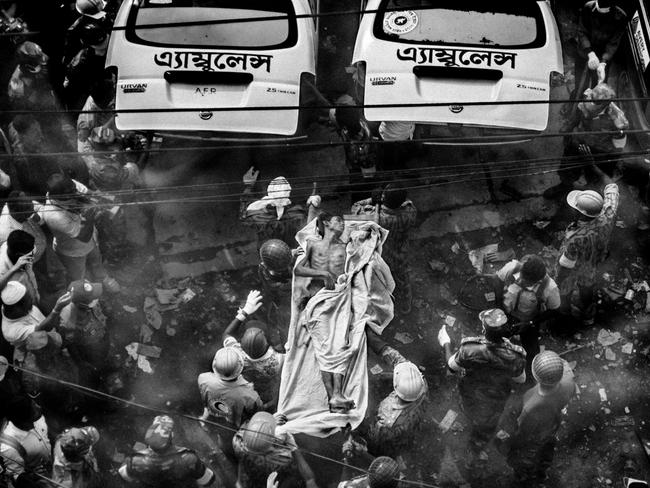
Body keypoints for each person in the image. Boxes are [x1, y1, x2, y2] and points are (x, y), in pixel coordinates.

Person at [438, 308, 526, 470]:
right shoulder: (516, 356)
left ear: (484, 329)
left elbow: (451, 369)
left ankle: (473, 434)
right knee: (488, 424)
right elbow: (520, 380)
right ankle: (478, 445)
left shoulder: (469, 348)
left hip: (470, 395)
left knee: (470, 412)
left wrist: (446, 343)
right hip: (496, 400)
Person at [294, 211, 351, 411]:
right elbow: (298, 270)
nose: (343, 224)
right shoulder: (312, 244)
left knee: (341, 344)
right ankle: (333, 396)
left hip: (337, 298)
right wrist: (323, 273)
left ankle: (337, 395)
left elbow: (350, 272)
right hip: (318, 299)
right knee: (326, 346)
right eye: (339, 220)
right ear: (326, 223)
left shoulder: (345, 248)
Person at [497, 351, 576, 488]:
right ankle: (541, 474)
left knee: (523, 462)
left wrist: (506, 442)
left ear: (535, 375)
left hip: (533, 440)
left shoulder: (531, 404)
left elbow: (522, 435)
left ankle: (524, 479)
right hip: (551, 428)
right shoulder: (569, 385)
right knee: (546, 455)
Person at [556, 169, 619, 326]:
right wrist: (592, 165)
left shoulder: (574, 238)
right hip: (593, 262)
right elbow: (611, 185)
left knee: (565, 288)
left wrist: (557, 281)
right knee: (587, 286)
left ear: (579, 214)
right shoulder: (607, 216)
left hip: (574, 266)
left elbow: (566, 266)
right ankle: (588, 315)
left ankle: (565, 315)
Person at [544, 82, 628, 198]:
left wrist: (603, 162)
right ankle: (565, 187)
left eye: (594, 101)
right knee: (567, 168)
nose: (588, 100)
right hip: (578, 142)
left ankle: (588, 197)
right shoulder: (587, 99)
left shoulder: (617, 121)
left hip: (599, 153)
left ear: (604, 105)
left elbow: (618, 147)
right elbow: (577, 116)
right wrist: (569, 129)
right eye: (591, 97)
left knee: (595, 179)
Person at [39, 173, 120, 291]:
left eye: (74, 188)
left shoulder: (70, 186)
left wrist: (107, 200)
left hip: (91, 238)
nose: (76, 191)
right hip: (72, 251)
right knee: (77, 276)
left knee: (96, 261)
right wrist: (89, 217)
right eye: (71, 192)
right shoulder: (53, 215)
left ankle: (103, 278)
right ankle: (83, 295)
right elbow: (83, 237)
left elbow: (88, 193)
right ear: (60, 196)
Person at [350, 183, 417, 314]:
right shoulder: (410, 212)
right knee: (403, 279)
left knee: (379, 281)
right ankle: (406, 306)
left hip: (382, 255)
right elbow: (408, 202)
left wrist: (372, 200)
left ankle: (382, 308)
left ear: (384, 197)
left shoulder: (374, 216)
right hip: (401, 251)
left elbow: (354, 209)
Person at [495, 254, 561, 373]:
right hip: (505, 312)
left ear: (538, 280)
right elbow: (498, 281)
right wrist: (499, 307)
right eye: (521, 276)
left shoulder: (550, 288)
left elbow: (554, 310)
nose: (520, 281)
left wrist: (531, 322)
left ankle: (530, 374)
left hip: (529, 320)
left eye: (526, 281)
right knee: (495, 339)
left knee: (531, 352)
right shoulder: (512, 268)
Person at [222, 290, 285, 409]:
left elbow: (227, 334)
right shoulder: (279, 360)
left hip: (250, 385)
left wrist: (244, 312)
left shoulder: (237, 353)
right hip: (269, 388)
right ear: (267, 343)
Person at [197, 346, 263, 458]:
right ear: (240, 367)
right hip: (233, 425)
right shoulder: (250, 396)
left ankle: (224, 450)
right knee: (232, 441)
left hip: (214, 417)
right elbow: (258, 411)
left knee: (223, 439)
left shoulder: (203, 378)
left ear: (215, 366)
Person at [119, 415, 215, 488]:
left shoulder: (135, 460)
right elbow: (207, 481)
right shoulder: (188, 458)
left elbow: (125, 478)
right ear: (171, 436)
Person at [232, 411, 318, 488]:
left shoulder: (238, 443)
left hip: (250, 480)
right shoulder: (283, 457)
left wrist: (269, 427)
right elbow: (305, 472)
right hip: (274, 480)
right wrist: (292, 444)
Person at [240, 168, 321, 246]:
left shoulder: (259, 217)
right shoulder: (298, 214)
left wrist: (248, 187)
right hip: (293, 255)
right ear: (288, 192)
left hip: (267, 256)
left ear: (269, 192)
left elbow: (244, 215)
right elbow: (311, 228)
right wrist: (313, 207)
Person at [367, 360, 428, 458]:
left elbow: (375, 440)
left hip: (389, 444)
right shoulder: (422, 387)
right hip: (410, 430)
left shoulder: (386, 420)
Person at [1, 281, 71, 363]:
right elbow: (43, 329)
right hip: (40, 353)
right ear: (17, 308)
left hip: (52, 338)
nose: (32, 300)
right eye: (28, 300)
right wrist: (57, 309)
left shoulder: (13, 308)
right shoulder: (11, 331)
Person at [58, 279, 108, 374]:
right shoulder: (69, 321)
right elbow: (70, 345)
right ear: (82, 305)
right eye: (94, 298)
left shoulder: (90, 304)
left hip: (101, 334)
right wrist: (81, 363)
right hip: (89, 349)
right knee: (95, 367)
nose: (97, 298)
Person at [0, 397, 52, 485]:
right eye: (34, 409)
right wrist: (31, 476)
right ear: (25, 419)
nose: (39, 407)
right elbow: (17, 476)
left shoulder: (38, 417)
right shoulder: (8, 446)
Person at [576, 0, 628, 86]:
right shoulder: (588, 7)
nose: (600, 12)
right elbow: (582, 31)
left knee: (598, 85)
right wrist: (590, 53)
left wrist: (603, 63)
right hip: (584, 51)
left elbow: (613, 42)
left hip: (603, 55)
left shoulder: (621, 17)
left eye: (605, 11)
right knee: (580, 85)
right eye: (598, 9)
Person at [257, 239, 294, 347]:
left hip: (276, 299)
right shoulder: (277, 283)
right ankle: (286, 346)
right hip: (283, 303)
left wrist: (292, 253)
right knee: (286, 327)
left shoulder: (263, 266)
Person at [0, 192, 46, 262]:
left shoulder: (21, 204)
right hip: (32, 261)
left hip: (42, 250)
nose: (33, 210)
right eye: (29, 210)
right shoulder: (5, 233)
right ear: (17, 213)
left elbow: (40, 207)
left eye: (31, 204)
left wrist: (39, 217)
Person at [0, 230, 39, 304]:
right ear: (19, 255)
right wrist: (13, 269)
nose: (32, 258)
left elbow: (30, 275)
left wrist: (35, 292)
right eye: (30, 255)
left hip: (30, 286)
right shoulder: (2, 267)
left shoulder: (28, 249)